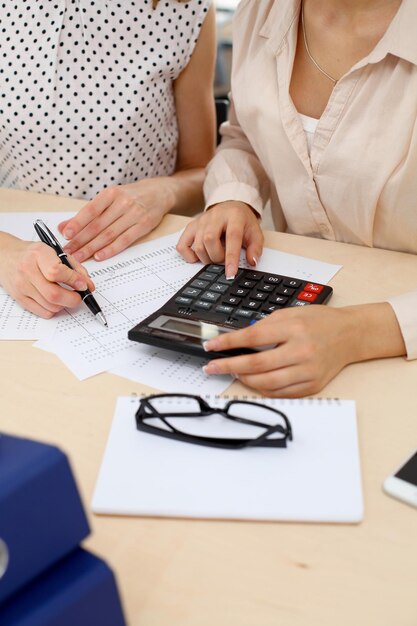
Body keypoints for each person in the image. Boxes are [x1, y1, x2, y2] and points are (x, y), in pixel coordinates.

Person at [177, 0, 417, 397]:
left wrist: (359, 333)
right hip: (298, 311)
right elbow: (244, 136)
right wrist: (234, 197)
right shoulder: (260, 10)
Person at [0, 0, 216, 319]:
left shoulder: (186, 10)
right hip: (13, 257)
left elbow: (203, 172)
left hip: (137, 264)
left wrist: (164, 191)